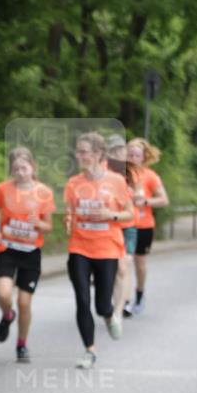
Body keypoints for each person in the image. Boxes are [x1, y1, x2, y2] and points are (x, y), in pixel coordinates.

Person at [64, 133, 134, 369]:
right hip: (79, 247)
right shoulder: (73, 183)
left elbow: (129, 214)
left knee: (102, 305)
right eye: (77, 151)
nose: (79, 156)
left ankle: (110, 316)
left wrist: (110, 215)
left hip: (107, 248)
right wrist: (68, 220)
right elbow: (69, 211)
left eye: (83, 151)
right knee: (82, 301)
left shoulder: (116, 181)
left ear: (98, 154)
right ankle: (90, 350)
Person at [0, 147, 55, 362]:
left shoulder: (44, 193)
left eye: (24, 168)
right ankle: (7, 315)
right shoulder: (3, 189)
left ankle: (21, 345)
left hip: (30, 252)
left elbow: (48, 227)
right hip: (7, 249)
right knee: (3, 294)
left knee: (24, 302)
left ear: (32, 167)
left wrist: (39, 224)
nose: (20, 172)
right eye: (16, 169)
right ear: (11, 170)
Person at [126, 137, 169, 314]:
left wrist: (145, 201)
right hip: (123, 225)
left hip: (143, 226)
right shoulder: (118, 175)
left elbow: (164, 200)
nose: (132, 158)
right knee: (124, 262)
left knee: (140, 263)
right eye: (129, 154)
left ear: (143, 157)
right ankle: (124, 300)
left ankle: (139, 294)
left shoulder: (150, 176)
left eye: (136, 155)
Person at [105, 134, 138, 322]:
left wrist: (135, 194)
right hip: (108, 226)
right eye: (114, 150)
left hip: (128, 227)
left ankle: (120, 307)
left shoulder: (131, 172)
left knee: (124, 265)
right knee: (114, 268)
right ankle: (114, 298)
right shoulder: (102, 172)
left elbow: (139, 193)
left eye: (120, 149)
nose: (118, 153)